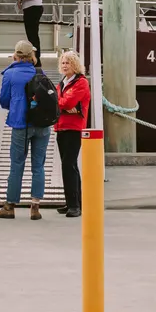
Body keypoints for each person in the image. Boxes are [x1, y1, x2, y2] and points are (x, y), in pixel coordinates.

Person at [0, 40, 51, 221]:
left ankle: (10, 206)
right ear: (31, 56)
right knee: (38, 165)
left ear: (16, 54)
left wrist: (16, 106)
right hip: (42, 125)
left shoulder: (10, 74)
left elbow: (3, 100)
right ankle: (35, 207)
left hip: (20, 125)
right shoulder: (40, 73)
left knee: (17, 164)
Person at [55, 50, 90, 218]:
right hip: (61, 127)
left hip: (73, 128)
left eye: (68, 62)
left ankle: (74, 205)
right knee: (69, 165)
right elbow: (62, 103)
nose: (64, 65)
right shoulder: (63, 83)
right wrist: (62, 105)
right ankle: (73, 202)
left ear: (75, 64)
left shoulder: (81, 83)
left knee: (69, 165)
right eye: (63, 62)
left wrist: (60, 104)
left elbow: (67, 102)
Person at [16, 0, 43, 67]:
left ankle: (36, 59)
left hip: (33, 8)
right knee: (31, 35)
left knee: (33, 35)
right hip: (30, 8)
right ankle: (34, 58)